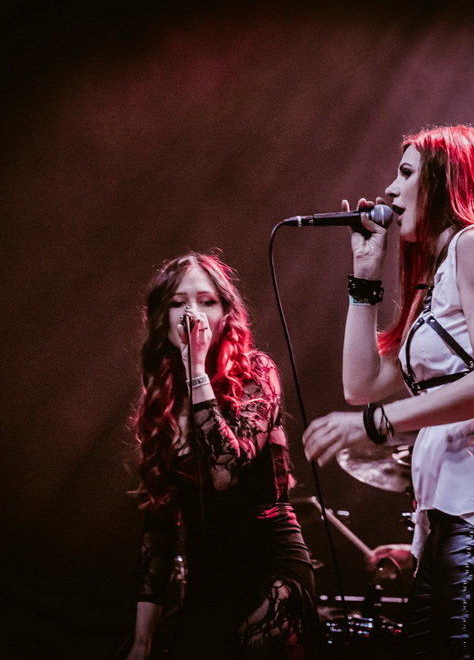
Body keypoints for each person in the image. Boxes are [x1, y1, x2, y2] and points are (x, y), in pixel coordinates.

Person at [303, 125, 474, 659]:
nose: (389, 189)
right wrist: (364, 275)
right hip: (449, 498)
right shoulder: (439, 273)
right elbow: (360, 385)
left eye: (406, 173)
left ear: (447, 180)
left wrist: (376, 424)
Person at [127, 253, 318, 660]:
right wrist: (143, 638)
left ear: (226, 313)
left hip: (267, 570)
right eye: (178, 302)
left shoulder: (256, 373)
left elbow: (224, 471)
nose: (192, 314)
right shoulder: (163, 394)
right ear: (162, 317)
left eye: (206, 301)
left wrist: (197, 371)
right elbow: (159, 524)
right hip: (206, 580)